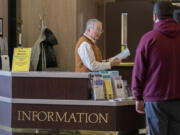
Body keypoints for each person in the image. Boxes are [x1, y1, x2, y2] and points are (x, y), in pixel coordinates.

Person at [132, 1, 180, 135]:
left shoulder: (148, 39)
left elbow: (139, 71)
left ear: (154, 16)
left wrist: (138, 97)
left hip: (155, 99)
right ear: (172, 15)